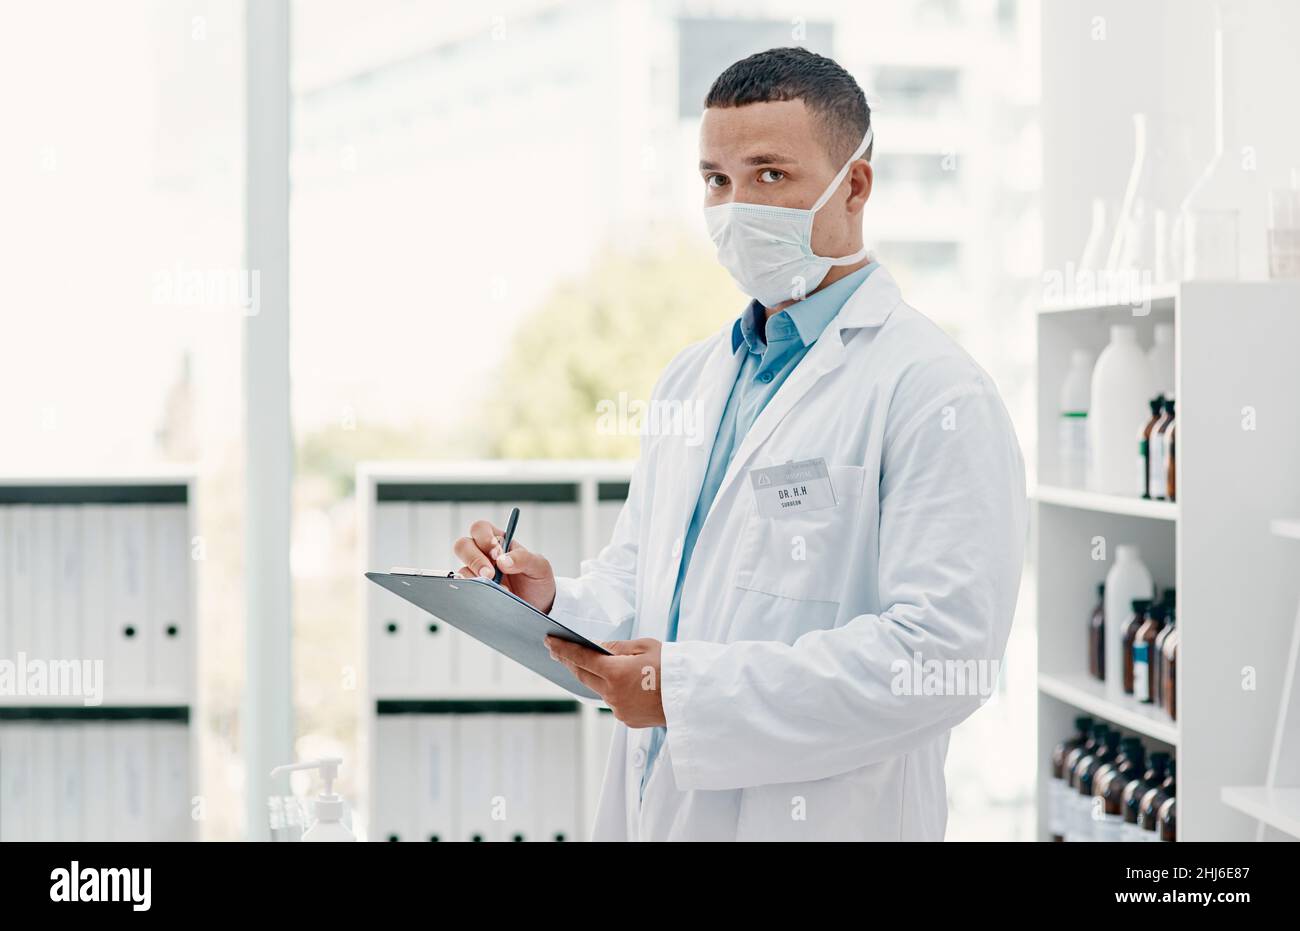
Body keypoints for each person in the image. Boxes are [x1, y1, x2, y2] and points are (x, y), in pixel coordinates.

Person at [453, 47, 1027, 841]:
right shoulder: (691, 379)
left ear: (854, 186)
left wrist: (686, 690)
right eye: (716, 180)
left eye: (769, 175)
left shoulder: (935, 392)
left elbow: (940, 657)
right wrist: (550, 602)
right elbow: (645, 584)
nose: (734, 206)